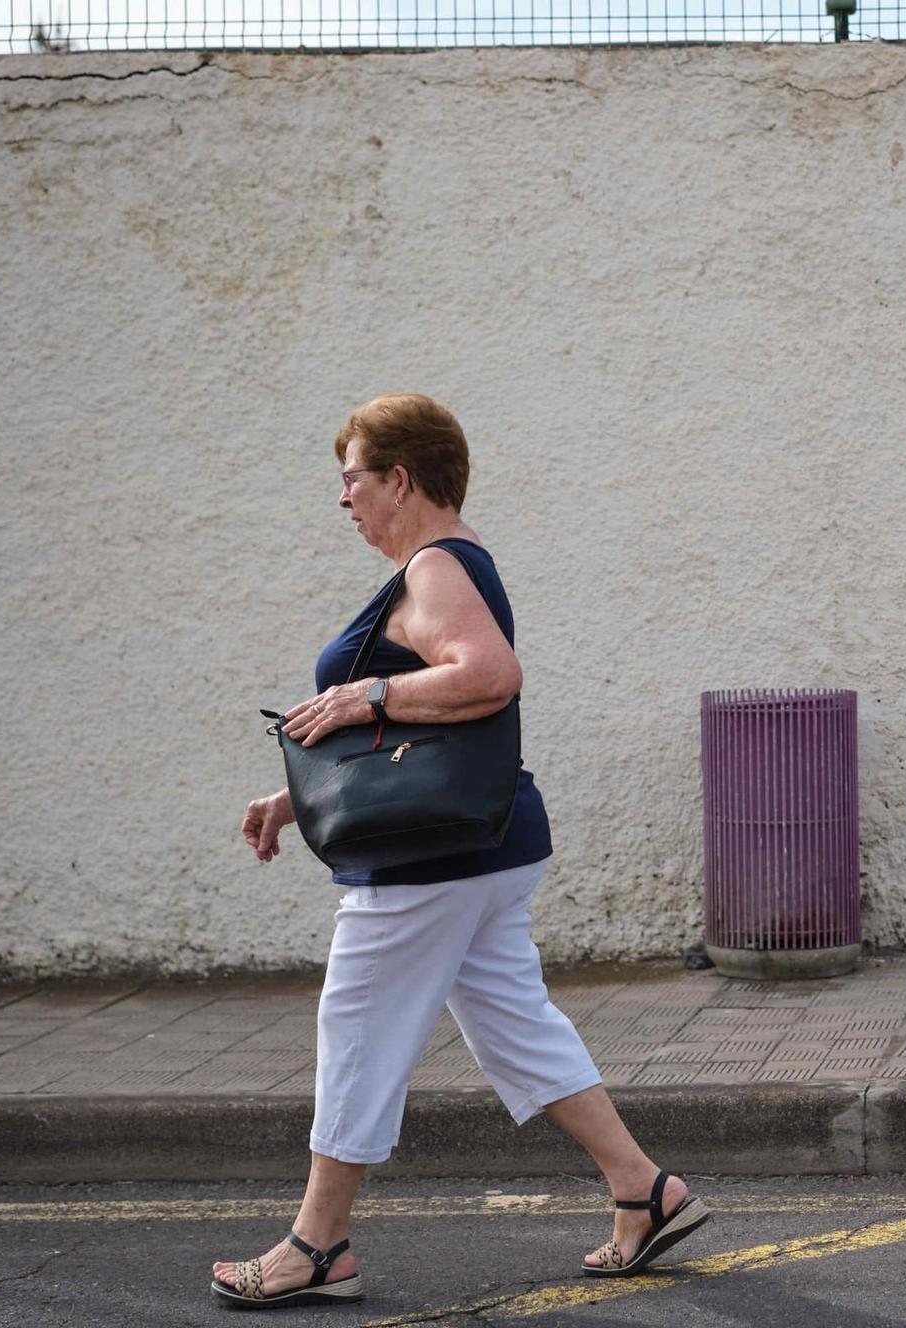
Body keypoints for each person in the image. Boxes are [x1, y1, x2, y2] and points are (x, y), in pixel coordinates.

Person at [214, 393, 707, 1309]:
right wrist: (300, 795)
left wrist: (364, 697)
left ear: (401, 478)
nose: (343, 497)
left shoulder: (438, 567)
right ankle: (644, 1189)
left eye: (353, 476)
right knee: (515, 1027)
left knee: (356, 1027)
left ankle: (317, 1246)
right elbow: (436, 728)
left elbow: (487, 677)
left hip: (426, 864)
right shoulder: (445, 565)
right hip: (486, 843)